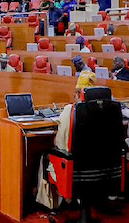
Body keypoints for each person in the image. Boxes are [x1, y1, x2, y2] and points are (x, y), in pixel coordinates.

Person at [35, 70, 96, 209]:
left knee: (45, 156)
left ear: (78, 94)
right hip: (100, 169)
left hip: (73, 168)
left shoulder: (71, 110)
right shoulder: (107, 108)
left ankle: (50, 204)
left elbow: (61, 144)